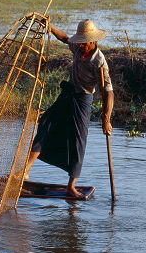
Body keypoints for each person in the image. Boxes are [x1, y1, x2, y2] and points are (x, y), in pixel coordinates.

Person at [23, 19, 114, 198]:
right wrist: (49, 27)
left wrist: (106, 118)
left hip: (82, 100)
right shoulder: (78, 47)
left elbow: (108, 92)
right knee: (46, 124)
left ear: (92, 42)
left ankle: (71, 187)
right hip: (68, 95)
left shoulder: (99, 62)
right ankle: (25, 170)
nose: (79, 46)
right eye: (78, 43)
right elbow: (65, 38)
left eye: (83, 43)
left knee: (77, 140)